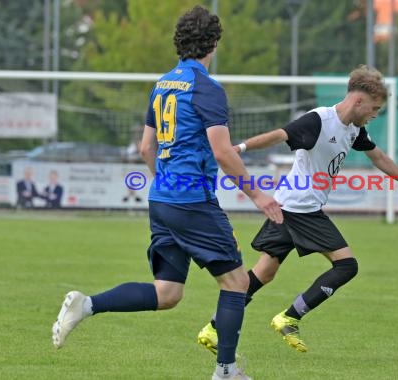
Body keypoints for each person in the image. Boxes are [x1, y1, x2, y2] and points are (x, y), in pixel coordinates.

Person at [51, 6, 282, 380]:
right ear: (214, 44)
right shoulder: (206, 87)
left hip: (162, 198)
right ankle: (226, 372)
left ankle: (87, 305)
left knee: (168, 293)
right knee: (237, 282)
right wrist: (258, 196)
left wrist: (167, 184)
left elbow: (146, 148)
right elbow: (223, 152)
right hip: (192, 201)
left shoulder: (162, 84)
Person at [197, 65, 398, 355]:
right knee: (347, 265)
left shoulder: (354, 129)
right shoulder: (319, 121)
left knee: (265, 271)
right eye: (375, 108)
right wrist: (241, 147)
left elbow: (380, 158)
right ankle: (289, 317)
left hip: (287, 205)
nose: (376, 114)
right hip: (301, 208)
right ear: (358, 100)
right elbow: (280, 134)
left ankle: (213, 327)